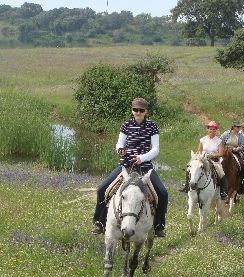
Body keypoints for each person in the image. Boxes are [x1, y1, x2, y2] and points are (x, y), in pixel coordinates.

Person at [92, 98, 168, 237]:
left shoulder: (152, 126)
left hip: (144, 168)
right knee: (102, 189)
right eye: (135, 110)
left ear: (146, 112)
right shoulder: (126, 125)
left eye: (141, 110)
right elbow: (119, 143)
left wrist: (142, 158)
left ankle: (159, 225)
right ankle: (99, 222)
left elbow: (156, 148)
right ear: (132, 110)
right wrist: (120, 149)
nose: (138, 112)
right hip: (126, 166)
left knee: (162, 193)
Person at [179, 120, 228, 200]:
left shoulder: (218, 141)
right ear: (208, 129)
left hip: (213, 160)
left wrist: (212, 155)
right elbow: (199, 150)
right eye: (210, 129)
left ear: (216, 130)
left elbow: (221, 153)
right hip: (202, 159)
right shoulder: (203, 140)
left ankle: (223, 191)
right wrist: (196, 155)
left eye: (214, 129)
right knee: (189, 168)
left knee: (221, 173)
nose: (212, 131)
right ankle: (187, 185)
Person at [220, 121, 244, 190]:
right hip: (225, 151)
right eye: (237, 127)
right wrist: (223, 149)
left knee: (242, 163)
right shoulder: (227, 133)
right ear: (233, 127)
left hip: (235, 152)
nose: (239, 128)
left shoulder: (240, 135)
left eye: (239, 127)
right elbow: (220, 142)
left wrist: (237, 148)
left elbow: (243, 146)